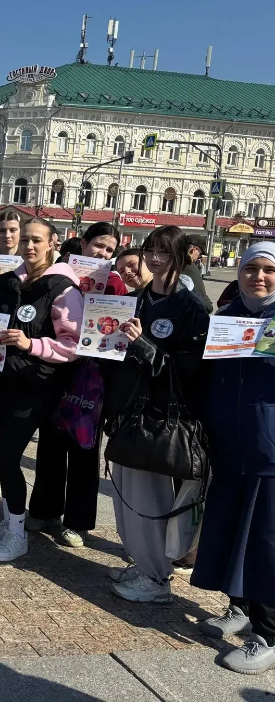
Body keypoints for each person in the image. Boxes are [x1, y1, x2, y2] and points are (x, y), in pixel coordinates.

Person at [104, 225, 209, 603]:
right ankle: (142, 562)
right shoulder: (138, 299)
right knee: (124, 496)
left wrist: (143, 345)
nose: (154, 258)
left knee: (149, 498)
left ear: (181, 256)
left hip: (160, 419)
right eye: (151, 249)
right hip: (129, 412)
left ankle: (157, 578)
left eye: (164, 251)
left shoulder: (191, 308)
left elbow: (187, 373)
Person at [0, 218, 82, 562]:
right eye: (25, 240)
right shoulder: (6, 282)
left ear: (53, 242)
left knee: (8, 457)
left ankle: (18, 535)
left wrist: (30, 343)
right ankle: (10, 520)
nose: (29, 246)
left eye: (37, 240)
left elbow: (73, 344)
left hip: (36, 385)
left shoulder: (63, 288)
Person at [191, 243, 275, 673]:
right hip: (228, 444)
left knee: (265, 541)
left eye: (267, 270)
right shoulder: (223, 319)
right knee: (230, 530)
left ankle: (268, 633)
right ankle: (238, 606)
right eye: (250, 269)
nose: (257, 277)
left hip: (268, 449)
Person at [27, 222, 124, 549]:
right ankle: (44, 510)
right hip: (56, 370)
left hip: (93, 378)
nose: (102, 253)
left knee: (84, 450)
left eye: (109, 250)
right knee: (51, 445)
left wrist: (102, 301)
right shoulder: (59, 274)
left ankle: (78, 522)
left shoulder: (114, 284)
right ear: (83, 243)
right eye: (98, 245)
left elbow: (118, 333)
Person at [182, 234, 214, 312]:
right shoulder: (188, 266)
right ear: (194, 249)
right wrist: (209, 307)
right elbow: (199, 293)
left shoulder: (173, 260)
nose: (198, 257)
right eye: (199, 253)